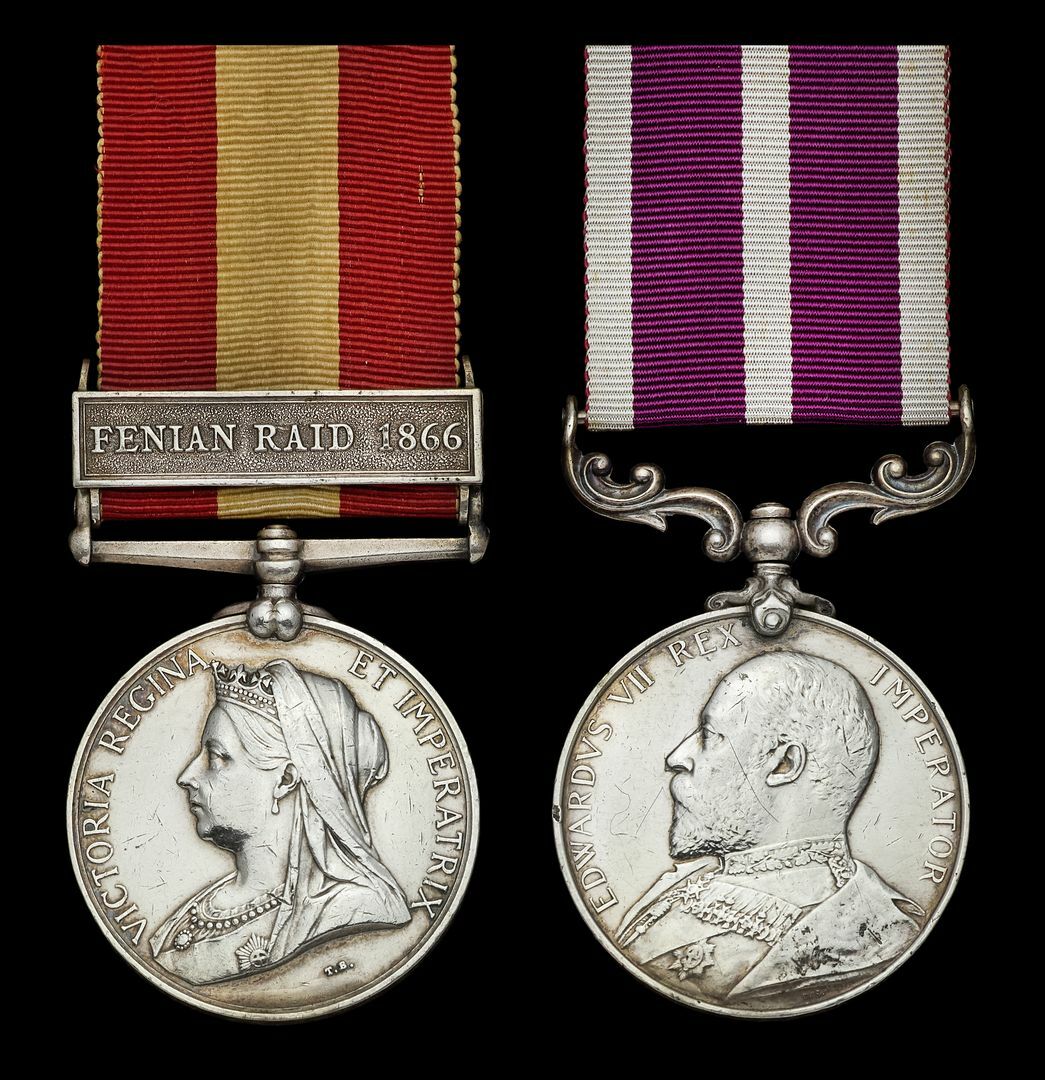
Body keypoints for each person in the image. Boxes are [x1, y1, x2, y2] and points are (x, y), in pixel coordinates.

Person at [617, 651, 923, 1005]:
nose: (676, 757)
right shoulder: (686, 883)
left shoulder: (874, 938)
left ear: (783, 765)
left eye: (709, 735)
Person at [151, 659, 410, 985]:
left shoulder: (355, 912)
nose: (187, 776)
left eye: (216, 757)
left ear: (286, 779)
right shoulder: (203, 904)